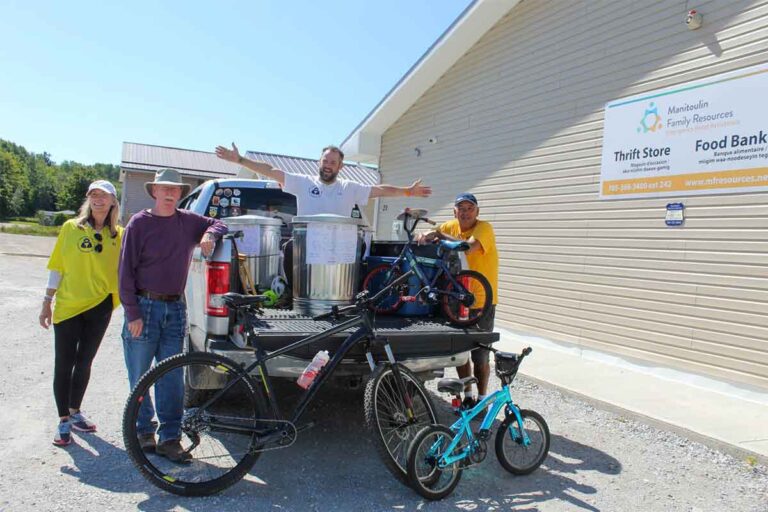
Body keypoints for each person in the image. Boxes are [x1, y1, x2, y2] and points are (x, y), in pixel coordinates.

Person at [119, 168, 227, 463]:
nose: (169, 193)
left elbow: (219, 223)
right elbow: (125, 272)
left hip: (175, 308)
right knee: (140, 375)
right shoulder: (139, 223)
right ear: (154, 191)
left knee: (172, 377)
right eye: (164, 188)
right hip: (144, 307)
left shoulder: (188, 221)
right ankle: (143, 431)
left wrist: (209, 234)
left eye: (175, 189)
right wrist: (132, 313)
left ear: (180, 193)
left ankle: (170, 438)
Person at [39, 180, 123, 447]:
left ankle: (75, 411)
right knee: (64, 363)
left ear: (113, 201)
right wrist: (47, 301)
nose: (98, 199)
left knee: (85, 362)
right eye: (93, 195)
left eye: (104, 195)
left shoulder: (119, 235)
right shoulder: (71, 228)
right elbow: (57, 266)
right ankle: (63, 420)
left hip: (100, 306)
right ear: (88, 199)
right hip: (69, 306)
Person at [417, 192, 498, 410]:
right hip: (457, 300)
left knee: (480, 355)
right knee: (462, 354)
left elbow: (468, 247)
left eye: (470, 208)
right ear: (455, 212)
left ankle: (482, 400)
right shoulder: (450, 226)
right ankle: (468, 396)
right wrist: (425, 235)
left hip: (481, 301)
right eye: (461, 209)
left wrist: (439, 235)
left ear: (477, 211)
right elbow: (433, 233)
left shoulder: (484, 228)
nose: (465, 213)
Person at [215, 143, 432, 216]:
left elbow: (380, 190)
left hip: (339, 252)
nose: (328, 165)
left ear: (340, 166)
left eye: (333, 162)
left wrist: (407, 191)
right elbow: (271, 170)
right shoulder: (303, 183)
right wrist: (240, 160)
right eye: (325, 161)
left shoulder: (349, 187)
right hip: (307, 250)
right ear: (319, 162)